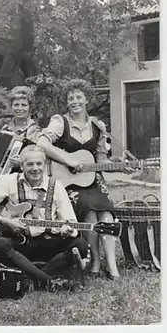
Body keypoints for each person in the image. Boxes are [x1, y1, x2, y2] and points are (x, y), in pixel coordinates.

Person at [37, 79, 132, 279]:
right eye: (71, 98)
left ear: (87, 99)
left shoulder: (98, 125)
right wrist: (68, 160)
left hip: (93, 179)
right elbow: (42, 143)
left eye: (79, 97)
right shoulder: (59, 122)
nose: (75, 101)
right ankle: (96, 260)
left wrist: (120, 167)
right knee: (89, 211)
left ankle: (112, 266)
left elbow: (100, 160)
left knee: (105, 212)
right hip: (68, 182)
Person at [0, 145, 89, 291]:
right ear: (21, 166)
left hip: (48, 241)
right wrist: (6, 221)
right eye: (30, 164)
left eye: (39, 164)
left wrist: (68, 230)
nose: (35, 168)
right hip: (20, 243)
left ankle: (32, 280)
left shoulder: (56, 186)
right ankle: (49, 282)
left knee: (80, 245)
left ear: (45, 165)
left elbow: (71, 222)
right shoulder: (9, 182)